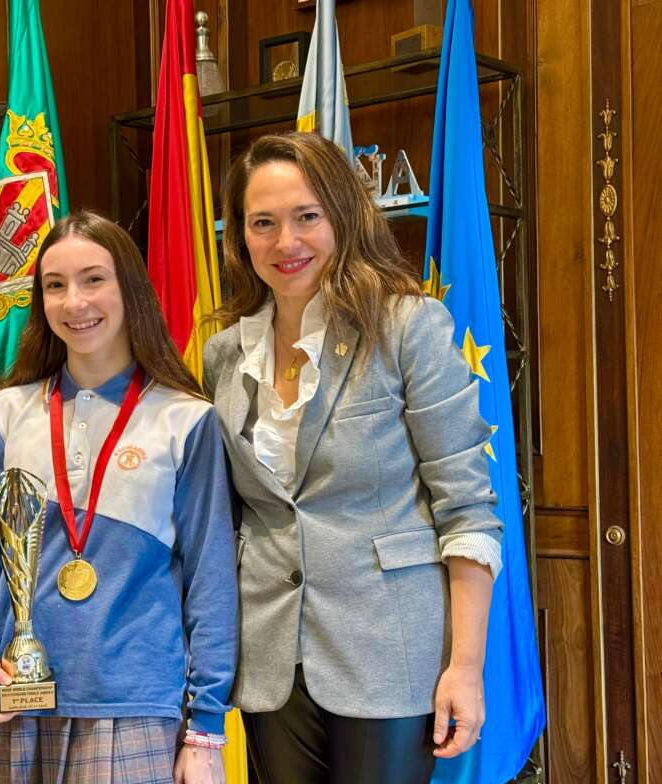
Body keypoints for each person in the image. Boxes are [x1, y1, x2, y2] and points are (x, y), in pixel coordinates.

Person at [202, 132, 502, 784]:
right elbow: (224, 519)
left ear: (343, 215)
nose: (287, 242)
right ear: (240, 236)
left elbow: (468, 509)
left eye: (307, 217)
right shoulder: (224, 356)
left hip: (389, 652)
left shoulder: (407, 328)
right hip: (270, 659)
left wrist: (466, 668)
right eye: (264, 223)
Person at [0, 210, 236, 784]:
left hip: (135, 708)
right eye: (55, 285)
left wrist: (205, 725)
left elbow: (212, 580)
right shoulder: (7, 413)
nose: (75, 302)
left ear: (130, 287)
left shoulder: (185, 418)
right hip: (18, 700)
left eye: (94, 279)